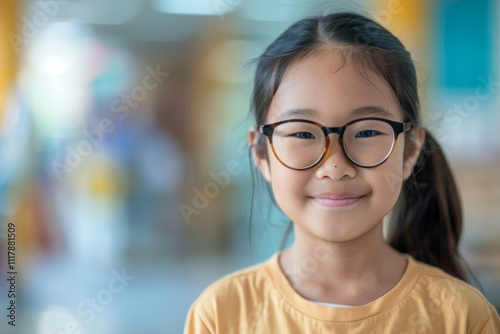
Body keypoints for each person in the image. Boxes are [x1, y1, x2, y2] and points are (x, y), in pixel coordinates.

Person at [184, 12, 500, 333]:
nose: (335, 166)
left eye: (365, 133)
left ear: (411, 149)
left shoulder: (462, 317)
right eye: (303, 134)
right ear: (261, 153)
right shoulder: (221, 315)